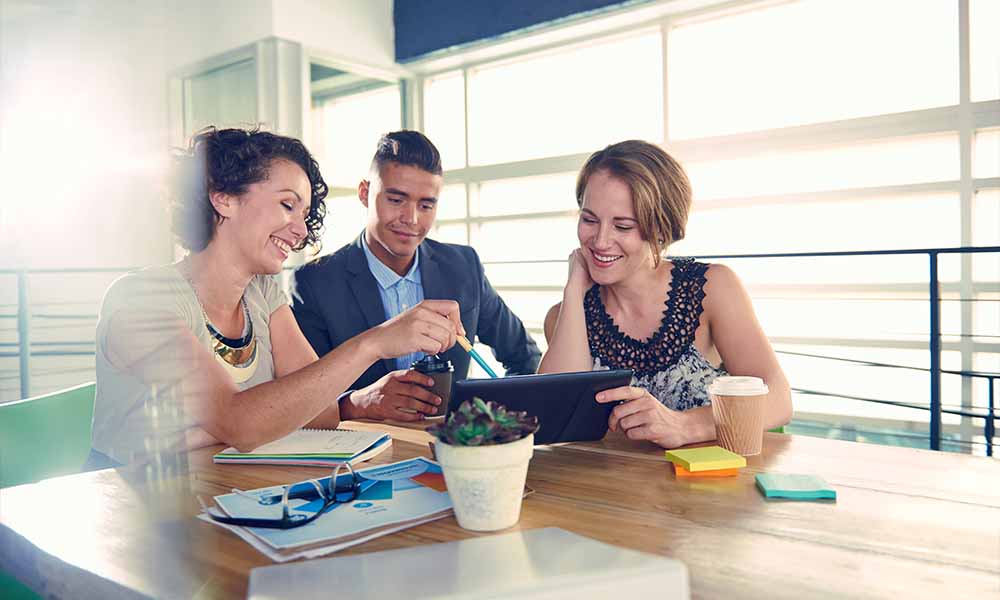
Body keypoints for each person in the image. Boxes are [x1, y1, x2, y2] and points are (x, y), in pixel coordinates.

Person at [89, 127, 463, 467]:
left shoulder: (263, 293)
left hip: (218, 489)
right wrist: (374, 343)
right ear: (224, 198)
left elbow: (315, 410)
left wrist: (358, 402)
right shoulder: (140, 301)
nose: (300, 231)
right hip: (133, 508)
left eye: (304, 214)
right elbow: (240, 424)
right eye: (287, 205)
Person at [538, 140, 790, 449]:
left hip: (708, 489)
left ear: (660, 228)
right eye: (589, 220)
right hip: (606, 492)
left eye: (623, 226)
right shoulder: (566, 316)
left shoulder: (711, 288)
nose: (600, 241)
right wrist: (574, 289)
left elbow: (778, 399)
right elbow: (556, 419)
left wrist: (685, 426)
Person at [290, 131, 540, 422]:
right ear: (364, 193)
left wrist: (487, 422)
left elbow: (525, 358)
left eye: (426, 205)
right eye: (396, 200)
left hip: (452, 451)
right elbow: (296, 400)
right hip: (360, 455)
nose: (411, 219)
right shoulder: (315, 282)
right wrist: (359, 403)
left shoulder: (463, 266)